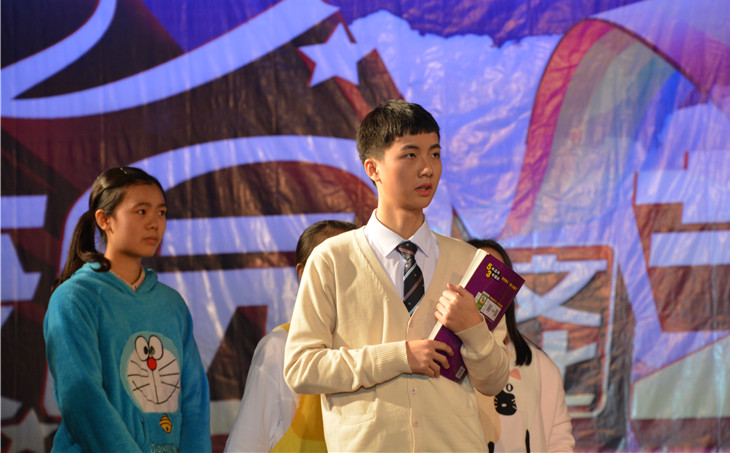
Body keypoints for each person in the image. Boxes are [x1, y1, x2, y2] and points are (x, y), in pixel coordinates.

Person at [284, 100, 509, 452]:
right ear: (373, 168)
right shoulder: (332, 259)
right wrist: (398, 357)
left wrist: (474, 330)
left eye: (435, 154)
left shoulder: (470, 261)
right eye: (410, 155)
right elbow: (302, 368)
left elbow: (494, 382)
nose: (427, 168)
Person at [43, 166, 211, 453]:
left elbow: (194, 401)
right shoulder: (74, 298)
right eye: (141, 211)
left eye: (161, 212)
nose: (155, 223)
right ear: (104, 219)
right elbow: (82, 397)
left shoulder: (171, 304)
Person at [225, 219, 358, 452]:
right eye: (332, 264)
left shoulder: (380, 347)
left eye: (354, 266)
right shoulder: (280, 348)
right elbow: (245, 445)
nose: (344, 277)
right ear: (304, 273)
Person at [468, 239, 575, 453]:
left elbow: (559, 442)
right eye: (480, 273)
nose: (489, 285)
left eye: (498, 276)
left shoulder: (540, 365)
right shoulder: (441, 357)